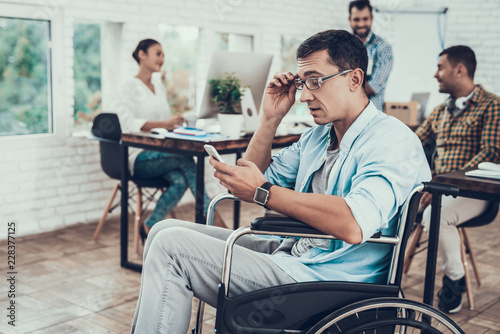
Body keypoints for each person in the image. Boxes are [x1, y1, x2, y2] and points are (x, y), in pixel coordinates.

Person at [130, 30, 430, 333]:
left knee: (172, 248)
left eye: (315, 81)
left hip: (329, 280)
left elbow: (353, 223)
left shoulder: (392, 142)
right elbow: (261, 177)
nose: (304, 96)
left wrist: (263, 192)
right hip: (297, 252)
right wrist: (269, 119)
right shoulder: (317, 137)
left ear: (354, 79)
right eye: (302, 83)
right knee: (163, 229)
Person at [416, 45, 500, 314]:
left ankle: (455, 279)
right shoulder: (441, 111)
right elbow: (416, 140)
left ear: (459, 70)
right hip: (438, 189)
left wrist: (441, 182)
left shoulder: (492, 105)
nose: (435, 74)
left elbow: (490, 152)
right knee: (396, 203)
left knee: (435, 216)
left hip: (477, 194)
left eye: (440, 67)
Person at [115, 39, 225, 235]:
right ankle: (212, 216)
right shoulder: (129, 86)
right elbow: (127, 123)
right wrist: (163, 124)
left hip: (161, 154)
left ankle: (150, 224)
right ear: (142, 54)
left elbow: (162, 122)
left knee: (181, 181)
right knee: (185, 159)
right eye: (158, 53)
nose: (162, 59)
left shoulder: (159, 87)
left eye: (163, 55)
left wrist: (172, 123)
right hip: (138, 158)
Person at [348, 0, 393, 112]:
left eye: (365, 19)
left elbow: (374, 87)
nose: (361, 24)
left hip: (371, 115)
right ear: (350, 20)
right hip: (346, 114)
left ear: (371, 18)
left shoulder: (383, 48)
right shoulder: (343, 46)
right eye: (356, 19)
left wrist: (341, 88)